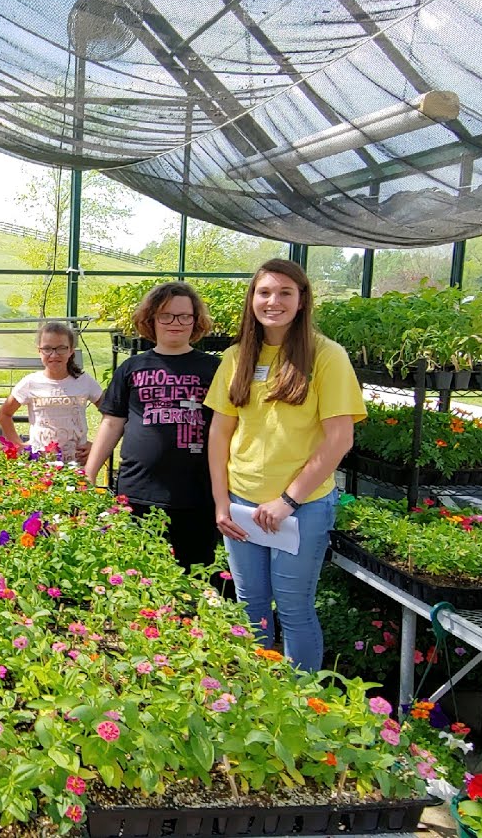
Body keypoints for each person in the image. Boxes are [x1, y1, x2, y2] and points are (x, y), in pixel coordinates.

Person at [205, 259, 365, 671]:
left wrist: (288, 501)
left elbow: (339, 439)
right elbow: (220, 434)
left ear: (301, 300)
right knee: (251, 604)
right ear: (252, 299)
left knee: (293, 607)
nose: (272, 301)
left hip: (302, 507)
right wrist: (222, 503)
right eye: (264, 293)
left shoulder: (326, 356)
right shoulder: (237, 356)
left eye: (284, 293)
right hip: (241, 502)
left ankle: (300, 702)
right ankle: (259, 695)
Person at [85, 283, 221, 571]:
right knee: (140, 575)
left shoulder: (214, 369)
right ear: (151, 320)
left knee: (195, 577)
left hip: (197, 495)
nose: (176, 323)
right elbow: (112, 422)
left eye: (185, 316)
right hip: (139, 490)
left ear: (196, 321)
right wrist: (90, 472)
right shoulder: (133, 368)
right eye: (166, 316)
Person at [0, 321, 102, 463]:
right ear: (39, 351)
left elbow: (110, 413)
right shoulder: (30, 383)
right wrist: (19, 445)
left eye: (61, 348)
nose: (54, 355)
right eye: (47, 349)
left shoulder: (84, 381)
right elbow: (5, 413)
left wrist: (97, 445)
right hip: (40, 464)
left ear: (71, 350)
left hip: (76, 463)